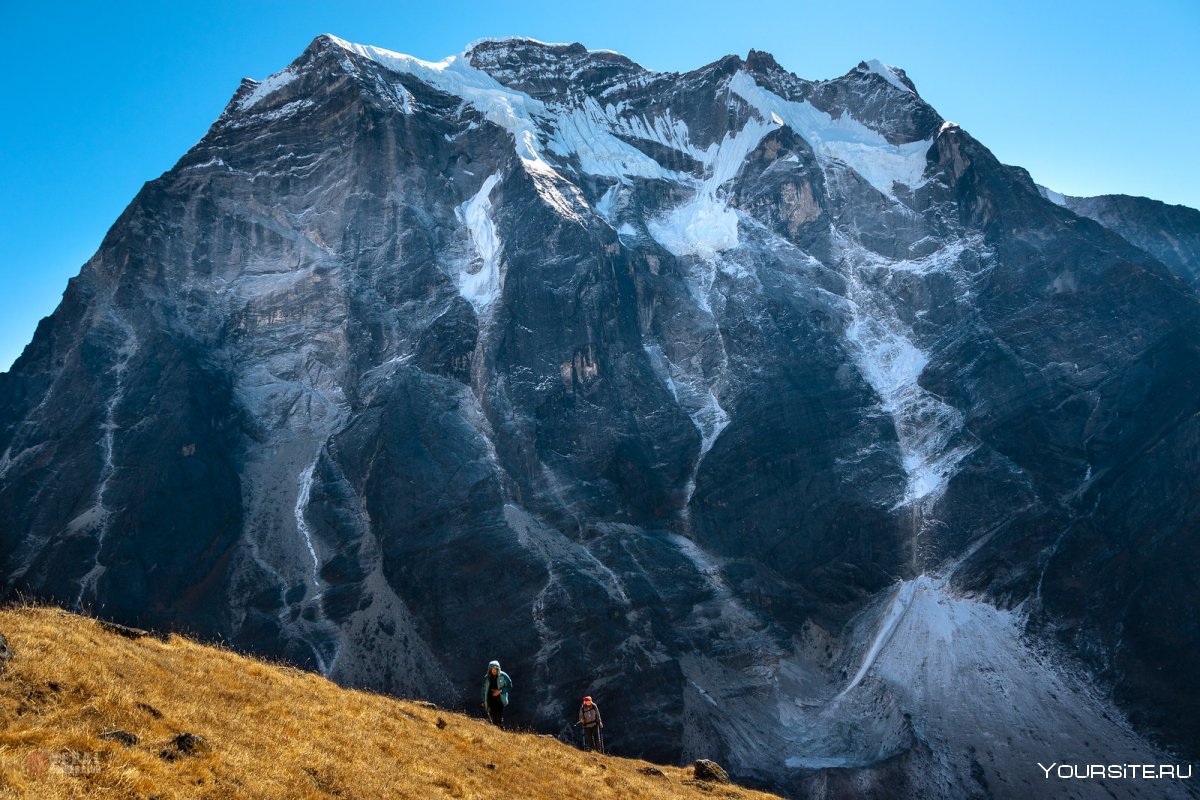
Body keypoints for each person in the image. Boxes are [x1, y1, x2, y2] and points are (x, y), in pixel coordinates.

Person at [481, 660, 511, 729]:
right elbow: (483, 690)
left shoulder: (503, 676)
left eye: (495, 669)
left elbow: (509, 686)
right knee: (493, 717)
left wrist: (500, 691)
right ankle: (496, 731)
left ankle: (501, 730)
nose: (494, 671)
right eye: (492, 669)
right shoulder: (486, 678)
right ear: (490, 669)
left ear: (498, 669)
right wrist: (483, 700)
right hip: (490, 700)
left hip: (500, 700)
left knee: (499, 717)